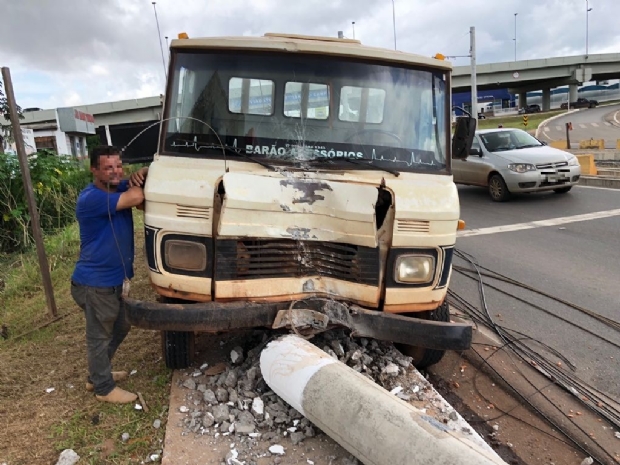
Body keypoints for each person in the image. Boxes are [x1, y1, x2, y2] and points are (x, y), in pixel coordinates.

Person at [70, 145, 148, 404]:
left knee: (122, 323)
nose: (116, 171)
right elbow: (137, 198)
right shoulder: (91, 198)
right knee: (99, 336)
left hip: (115, 280)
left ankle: (98, 371)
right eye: (108, 167)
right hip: (95, 283)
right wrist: (136, 182)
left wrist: (145, 171)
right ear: (94, 170)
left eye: (119, 166)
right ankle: (102, 387)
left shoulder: (117, 186)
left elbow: (142, 184)